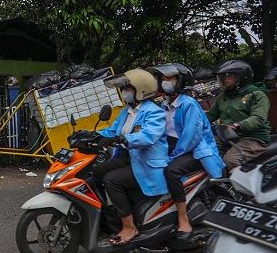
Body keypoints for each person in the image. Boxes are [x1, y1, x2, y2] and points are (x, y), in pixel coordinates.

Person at [92, 68, 168, 246]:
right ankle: (107, 217)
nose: (124, 92)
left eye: (128, 88)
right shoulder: (127, 111)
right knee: (96, 171)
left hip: (146, 163)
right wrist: (91, 135)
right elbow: (112, 131)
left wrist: (124, 138)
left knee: (111, 180)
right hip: (129, 158)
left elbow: (149, 136)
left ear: (141, 90)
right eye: (124, 88)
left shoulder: (154, 112)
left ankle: (129, 227)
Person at [148, 63, 225, 238]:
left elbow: (191, 137)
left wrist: (172, 156)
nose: (165, 82)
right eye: (163, 79)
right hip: (175, 147)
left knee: (171, 171)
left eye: (170, 78)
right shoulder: (165, 104)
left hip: (194, 149)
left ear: (181, 81)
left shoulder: (188, 104)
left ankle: (183, 219)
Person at [207, 60, 271, 170]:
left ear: (241, 77)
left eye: (229, 76)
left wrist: (237, 126)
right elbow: (211, 115)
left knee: (230, 160)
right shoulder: (223, 96)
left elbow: (258, 118)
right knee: (206, 151)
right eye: (222, 77)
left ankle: (237, 186)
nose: (224, 79)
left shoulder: (256, 94)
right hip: (227, 136)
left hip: (253, 137)